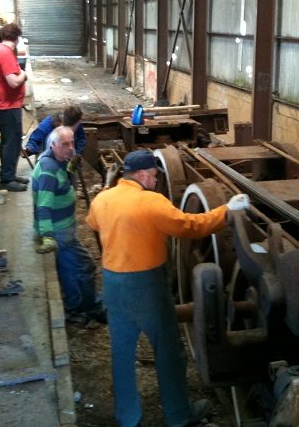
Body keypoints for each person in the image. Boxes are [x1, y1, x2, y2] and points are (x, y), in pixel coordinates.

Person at [85, 149, 250, 427]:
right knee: (169, 351)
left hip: (113, 284)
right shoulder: (151, 202)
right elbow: (189, 226)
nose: (155, 179)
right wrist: (226, 212)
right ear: (141, 174)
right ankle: (178, 415)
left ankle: (128, 417)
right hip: (146, 285)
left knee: (121, 352)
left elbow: (92, 224)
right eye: (152, 174)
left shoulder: (102, 198)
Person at [32, 126, 106, 325]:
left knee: (67, 269)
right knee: (85, 266)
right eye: (65, 144)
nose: (71, 148)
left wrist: (70, 169)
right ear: (53, 145)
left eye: (72, 143)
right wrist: (48, 236)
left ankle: (74, 308)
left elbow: (62, 183)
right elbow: (43, 206)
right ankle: (92, 307)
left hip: (64, 228)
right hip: (58, 231)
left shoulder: (57, 162)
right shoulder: (48, 171)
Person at [0, 22, 29, 192]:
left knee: (8, 141)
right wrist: (24, 75)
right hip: (7, 104)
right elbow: (13, 82)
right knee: (11, 142)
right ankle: (6, 179)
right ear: (17, 38)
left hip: (4, 103)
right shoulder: (5, 53)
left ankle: (9, 174)